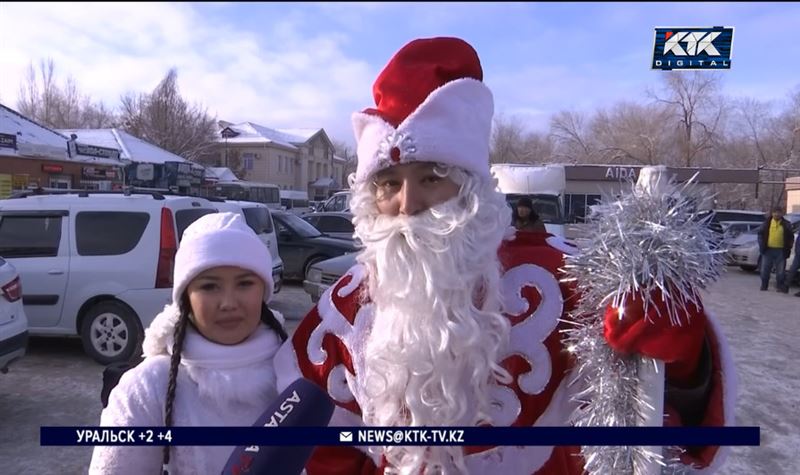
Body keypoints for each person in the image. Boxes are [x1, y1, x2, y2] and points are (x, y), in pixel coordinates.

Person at [274, 37, 735, 474]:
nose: (408, 204)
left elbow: (652, 427)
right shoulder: (341, 311)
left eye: (432, 177)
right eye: (389, 183)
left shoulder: (571, 282)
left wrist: (687, 364)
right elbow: (318, 450)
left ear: (472, 188)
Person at [89, 212, 288, 475]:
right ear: (186, 298)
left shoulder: (296, 371)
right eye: (209, 287)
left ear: (263, 290)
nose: (228, 303)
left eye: (244, 284)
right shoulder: (149, 386)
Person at [757, 206, 794, 292]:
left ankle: (779, 286)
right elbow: (760, 234)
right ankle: (764, 285)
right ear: (772, 213)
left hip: (781, 251)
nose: (777, 214)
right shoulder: (767, 223)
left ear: (782, 213)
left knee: (780, 271)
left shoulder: (786, 224)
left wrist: (789, 246)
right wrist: (761, 245)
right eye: (775, 212)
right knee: (765, 269)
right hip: (768, 250)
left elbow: (791, 237)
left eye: (779, 212)